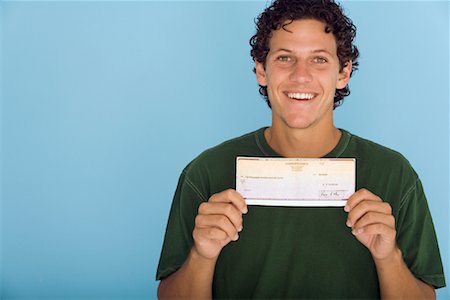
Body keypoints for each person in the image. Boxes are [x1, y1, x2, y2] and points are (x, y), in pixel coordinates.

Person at [156, 0, 446, 298]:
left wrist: (389, 257)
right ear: (261, 71)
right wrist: (202, 255)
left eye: (319, 59)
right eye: (284, 58)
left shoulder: (394, 174)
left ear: (343, 73)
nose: (301, 76)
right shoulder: (206, 172)